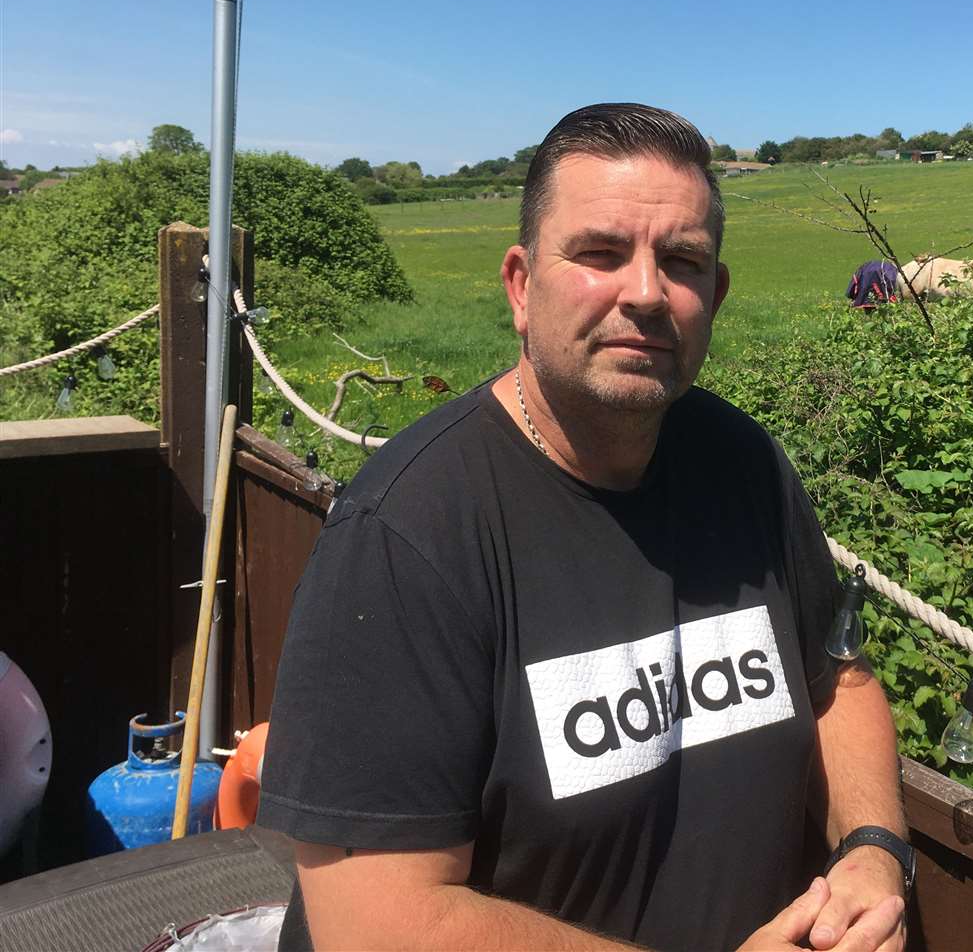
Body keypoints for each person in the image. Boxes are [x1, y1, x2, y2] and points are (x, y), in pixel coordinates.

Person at [258, 104, 910, 952]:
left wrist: (872, 851)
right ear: (522, 286)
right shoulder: (410, 535)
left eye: (682, 262)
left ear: (714, 295)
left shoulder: (745, 465)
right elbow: (377, 924)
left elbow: (838, 685)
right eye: (600, 253)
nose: (644, 292)